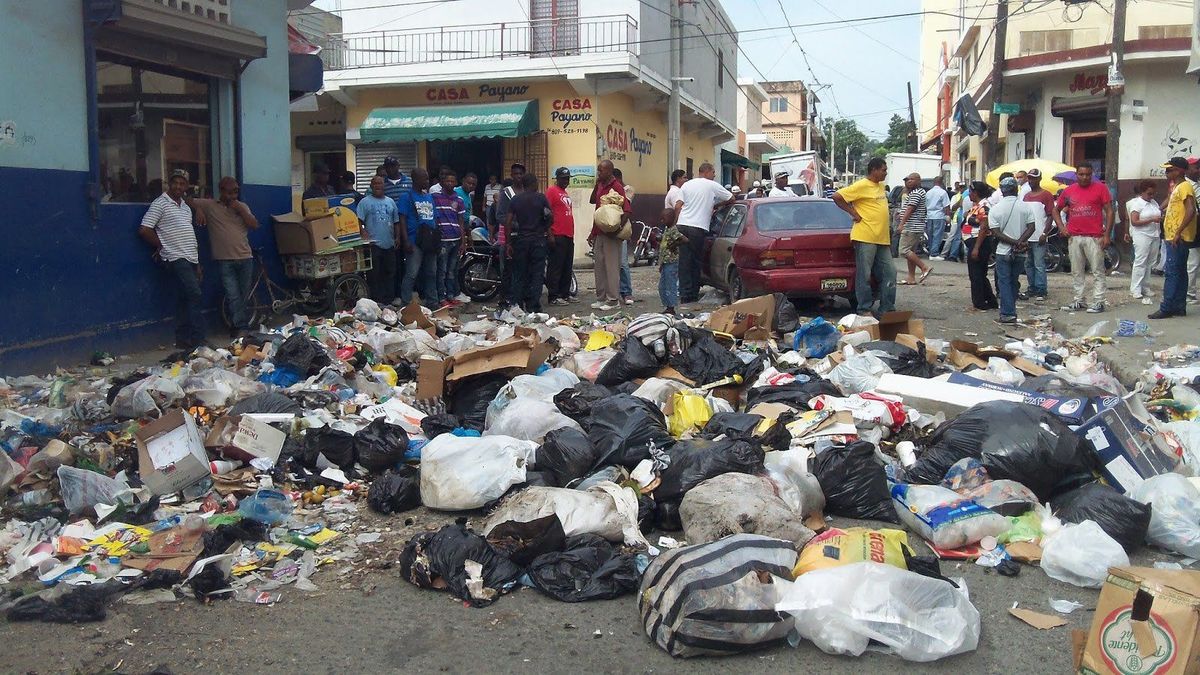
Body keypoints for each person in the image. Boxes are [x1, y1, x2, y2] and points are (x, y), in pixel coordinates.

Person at [138, 170, 204, 350]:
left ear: (186, 187)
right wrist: (160, 245)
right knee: (195, 294)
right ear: (169, 183)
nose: (178, 186)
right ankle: (199, 340)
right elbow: (144, 229)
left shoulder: (184, 207)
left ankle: (183, 339)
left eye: (182, 184)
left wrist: (197, 264)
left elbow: (188, 235)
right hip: (174, 256)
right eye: (175, 182)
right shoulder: (160, 203)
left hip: (189, 256)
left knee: (184, 297)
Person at [190, 177, 259, 336]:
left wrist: (241, 210)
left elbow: (254, 225)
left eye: (235, 192)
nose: (233, 196)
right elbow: (187, 199)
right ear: (221, 191)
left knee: (243, 294)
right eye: (229, 193)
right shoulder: (210, 205)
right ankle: (241, 327)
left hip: (245, 258)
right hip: (225, 260)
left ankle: (238, 326)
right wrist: (198, 209)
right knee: (232, 295)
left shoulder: (242, 207)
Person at [834, 157, 895, 315]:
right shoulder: (861, 185)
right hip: (865, 236)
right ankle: (864, 308)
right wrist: (853, 213)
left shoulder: (881, 186)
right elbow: (837, 197)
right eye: (883, 170)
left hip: (881, 238)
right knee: (865, 275)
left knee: (890, 272)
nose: (885, 173)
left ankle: (887, 308)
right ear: (874, 170)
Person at [1053, 163, 1113, 313]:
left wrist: (1107, 235)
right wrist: (1061, 227)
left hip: (1095, 237)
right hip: (1074, 237)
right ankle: (1079, 300)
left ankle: (1098, 301)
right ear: (1076, 175)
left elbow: (1110, 211)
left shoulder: (1101, 189)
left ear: (1091, 174)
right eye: (1081, 174)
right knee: (1077, 271)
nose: (1085, 177)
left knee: (1098, 270)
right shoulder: (1068, 191)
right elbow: (1055, 210)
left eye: (1088, 174)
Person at [674, 162, 735, 305]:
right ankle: (692, 295)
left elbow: (677, 206)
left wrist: (675, 225)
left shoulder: (687, 185)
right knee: (695, 262)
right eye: (713, 172)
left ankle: (684, 294)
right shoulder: (711, 185)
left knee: (684, 262)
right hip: (697, 227)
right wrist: (716, 206)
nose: (714, 175)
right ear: (707, 172)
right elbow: (731, 198)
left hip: (682, 225)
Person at [1150, 157, 1197, 319]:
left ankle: (1167, 307)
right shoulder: (1178, 187)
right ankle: (1178, 306)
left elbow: (1190, 210)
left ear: (1179, 171)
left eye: (1169, 170)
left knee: (1172, 272)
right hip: (1176, 235)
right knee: (1180, 272)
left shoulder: (1184, 187)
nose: (1166, 172)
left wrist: (1178, 232)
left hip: (1178, 237)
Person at [988, 176, 1036, 324]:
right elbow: (1032, 227)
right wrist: (1020, 242)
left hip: (1003, 251)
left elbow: (995, 232)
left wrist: (1013, 242)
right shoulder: (1026, 206)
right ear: (1016, 189)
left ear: (1002, 191)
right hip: (1021, 252)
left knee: (1004, 282)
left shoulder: (995, 209)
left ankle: (1008, 313)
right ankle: (1011, 309)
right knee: (1014, 281)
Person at [505, 173, 553, 313]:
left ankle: (517, 304)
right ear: (534, 184)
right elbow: (550, 216)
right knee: (537, 274)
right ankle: (533, 306)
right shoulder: (541, 198)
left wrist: (508, 243)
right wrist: (545, 228)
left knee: (519, 273)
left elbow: (507, 222)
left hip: (521, 240)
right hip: (538, 240)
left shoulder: (515, 200)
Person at [588, 160, 630, 310]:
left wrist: (617, 230)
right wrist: (592, 233)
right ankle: (601, 297)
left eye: (601, 170)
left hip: (611, 234)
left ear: (610, 171)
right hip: (599, 232)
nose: (599, 173)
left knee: (611, 267)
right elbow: (593, 201)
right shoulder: (600, 185)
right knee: (599, 266)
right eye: (598, 170)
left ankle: (613, 299)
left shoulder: (617, 187)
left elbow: (627, 211)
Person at [355, 175, 401, 305]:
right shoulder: (365, 202)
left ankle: (389, 300)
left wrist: (397, 237)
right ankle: (375, 300)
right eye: (375, 184)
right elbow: (358, 221)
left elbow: (396, 221)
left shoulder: (390, 202)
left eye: (380, 183)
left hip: (389, 243)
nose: (378, 186)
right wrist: (363, 233)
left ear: (384, 185)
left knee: (390, 272)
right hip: (373, 244)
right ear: (371, 186)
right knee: (374, 274)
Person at [396, 168, 437, 308]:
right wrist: (405, 240)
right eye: (424, 178)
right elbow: (402, 219)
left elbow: (434, 218)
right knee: (412, 273)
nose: (427, 181)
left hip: (430, 240)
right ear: (415, 180)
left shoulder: (429, 197)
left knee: (431, 272)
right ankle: (406, 302)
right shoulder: (406, 197)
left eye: (427, 178)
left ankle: (432, 301)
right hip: (414, 240)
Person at [432, 169, 468, 308]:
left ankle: (451, 296)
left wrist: (463, 241)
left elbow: (461, 221)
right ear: (442, 182)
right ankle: (441, 298)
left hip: (456, 238)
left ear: (456, 183)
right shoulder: (434, 197)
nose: (450, 183)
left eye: (453, 181)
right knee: (442, 270)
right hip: (442, 240)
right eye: (447, 181)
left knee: (452, 270)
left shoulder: (459, 200)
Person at [1125, 179, 1162, 304]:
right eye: (1149, 194)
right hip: (1142, 235)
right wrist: (1152, 219)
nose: (1151, 196)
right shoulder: (1137, 204)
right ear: (1142, 192)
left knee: (1150, 262)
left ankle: (1145, 287)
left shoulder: (1154, 203)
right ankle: (1135, 288)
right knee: (1140, 261)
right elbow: (1134, 222)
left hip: (1154, 234)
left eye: (1153, 193)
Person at [964, 181, 998, 312]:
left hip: (979, 242)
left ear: (976, 193)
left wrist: (976, 248)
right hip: (974, 241)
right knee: (979, 274)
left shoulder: (984, 206)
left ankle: (979, 302)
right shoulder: (978, 205)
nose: (969, 194)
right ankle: (989, 300)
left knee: (976, 275)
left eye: (971, 192)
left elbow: (984, 227)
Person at [1021, 168, 1054, 302]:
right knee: (1028, 263)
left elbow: (1051, 215)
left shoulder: (1046, 195)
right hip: (1027, 235)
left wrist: (1045, 233)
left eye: (1034, 178)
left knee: (1039, 264)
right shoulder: (1026, 196)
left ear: (1039, 179)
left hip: (1039, 234)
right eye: (1029, 178)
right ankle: (1032, 287)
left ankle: (1041, 289)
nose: (1031, 181)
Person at [545, 167, 576, 306]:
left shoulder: (564, 192)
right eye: (563, 178)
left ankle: (565, 293)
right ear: (557, 178)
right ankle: (553, 295)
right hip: (557, 234)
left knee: (567, 266)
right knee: (555, 267)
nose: (566, 181)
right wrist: (549, 233)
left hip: (568, 234)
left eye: (567, 178)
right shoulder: (552, 191)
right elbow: (545, 213)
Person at [896, 172, 933, 285]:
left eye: (911, 179)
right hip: (914, 226)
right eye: (907, 180)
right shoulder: (915, 192)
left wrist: (902, 223)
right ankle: (911, 277)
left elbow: (910, 209)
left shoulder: (917, 193)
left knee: (904, 250)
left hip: (911, 226)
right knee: (910, 252)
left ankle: (924, 267)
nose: (908, 181)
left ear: (918, 181)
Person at [612, 167, 635, 305]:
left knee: (622, 263)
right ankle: (615, 292)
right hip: (610, 228)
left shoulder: (628, 190)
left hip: (622, 229)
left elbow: (625, 204)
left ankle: (627, 292)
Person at [657, 207, 686, 314]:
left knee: (670, 285)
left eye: (664, 219)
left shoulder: (673, 229)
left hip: (671, 263)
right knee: (662, 286)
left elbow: (685, 240)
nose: (662, 221)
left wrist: (674, 244)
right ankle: (668, 305)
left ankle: (671, 307)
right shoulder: (667, 229)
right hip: (665, 262)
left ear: (671, 219)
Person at [924, 175, 950, 260]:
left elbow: (925, 205)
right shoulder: (943, 192)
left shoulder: (928, 193)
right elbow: (946, 206)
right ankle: (934, 254)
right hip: (939, 215)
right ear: (941, 182)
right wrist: (948, 216)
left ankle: (931, 252)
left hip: (929, 216)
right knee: (937, 235)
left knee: (930, 235)